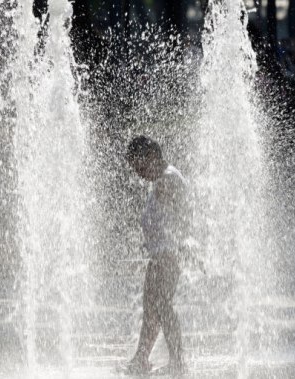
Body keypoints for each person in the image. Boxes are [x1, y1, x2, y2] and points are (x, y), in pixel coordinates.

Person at [121, 136, 190, 376]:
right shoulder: (163, 179)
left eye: (139, 166)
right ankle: (141, 358)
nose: (138, 173)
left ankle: (178, 361)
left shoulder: (168, 179)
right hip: (159, 255)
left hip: (167, 256)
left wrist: (180, 247)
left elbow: (183, 217)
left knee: (162, 306)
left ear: (150, 157)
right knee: (152, 309)